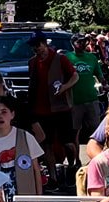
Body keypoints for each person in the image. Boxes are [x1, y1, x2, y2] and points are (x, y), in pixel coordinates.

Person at [26, 29, 80, 191]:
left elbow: (75, 76)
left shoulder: (60, 59)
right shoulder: (33, 62)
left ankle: (72, 166)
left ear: (45, 44)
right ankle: (53, 178)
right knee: (46, 145)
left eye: (39, 45)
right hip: (41, 110)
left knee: (68, 143)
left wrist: (64, 87)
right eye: (34, 46)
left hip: (61, 108)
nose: (37, 49)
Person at [67, 33, 106, 154]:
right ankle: (76, 159)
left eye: (84, 41)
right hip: (75, 101)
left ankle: (99, 158)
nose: (82, 44)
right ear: (73, 44)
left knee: (97, 130)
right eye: (79, 42)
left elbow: (100, 75)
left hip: (92, 99)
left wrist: (105, 85)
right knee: (75, 132)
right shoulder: (67, 58)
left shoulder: (92, 58)